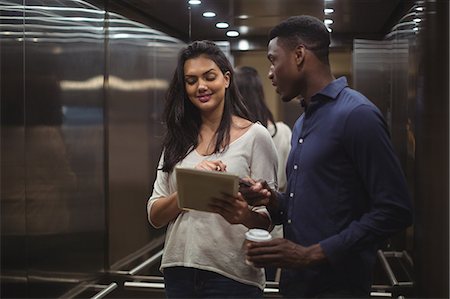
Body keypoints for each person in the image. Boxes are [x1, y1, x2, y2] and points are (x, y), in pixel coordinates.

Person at [241, 16, 414, 298]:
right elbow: (313, 208)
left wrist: (311, 254)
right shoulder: (302, 122)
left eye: (274, 60)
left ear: (299, 55)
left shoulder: (356, 115)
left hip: (338, 289)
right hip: (298, 287)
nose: (270, 73)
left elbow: (395, 210)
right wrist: (271, 199)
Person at [147, 40, 278, 298]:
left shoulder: (255, 136)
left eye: (209, 77)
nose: (201, 87)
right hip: (179, 270)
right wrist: (193, 187)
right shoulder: (178, 139)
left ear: (226, 79)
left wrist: (243, 215)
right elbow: (155, 215)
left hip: (232, 274)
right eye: (191, 80)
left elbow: (270, 217)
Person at [234, 66, 292, 281]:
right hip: (273, 232)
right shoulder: (283, 132)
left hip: (240, 230)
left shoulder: (239, 138)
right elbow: (286, 183)